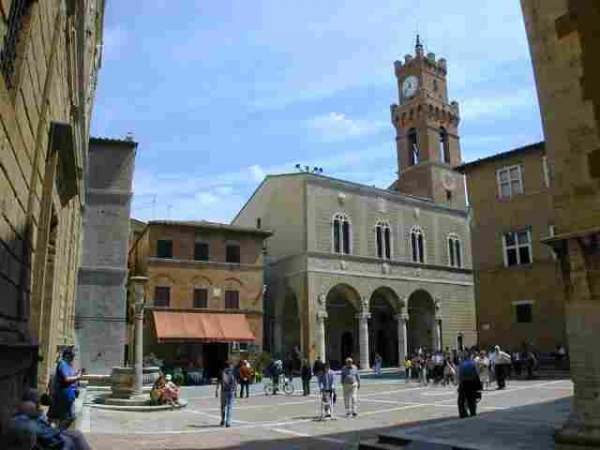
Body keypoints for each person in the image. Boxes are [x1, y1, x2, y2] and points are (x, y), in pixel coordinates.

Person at [14, 391, 91, 450]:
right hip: (53, 441)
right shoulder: (29, 423)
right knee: (73, 439)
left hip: (51, 435)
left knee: (77, 434)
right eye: (37, 400)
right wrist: (58, 429)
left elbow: (46, 427)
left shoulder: (29, 417)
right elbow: (46, 435)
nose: (39, 403)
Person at [47, 348, 83, 430]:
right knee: (67, 416)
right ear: (67, 355)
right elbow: (66, 379)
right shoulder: (62, 364)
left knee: (66, 416)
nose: (73, 357)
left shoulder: (68, 365)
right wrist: (77, 377)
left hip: (68, 395)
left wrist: (77, 376)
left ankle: (58, 431)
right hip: (62, 395)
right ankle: (59, 432)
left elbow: (70, 378)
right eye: (72, 355)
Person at [457, 353, 483, 418]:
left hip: (463, 383)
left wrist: (459, 386)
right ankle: (473, 413)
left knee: (461, 401)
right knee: (471, 400)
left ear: (464, 358)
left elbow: (460, 376)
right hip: (471, 383)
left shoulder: (461, 364)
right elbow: (476, 374)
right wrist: (478, 385)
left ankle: (463, 414)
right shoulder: (473, 363)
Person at [216, 361, 237, 427]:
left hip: (223, 391)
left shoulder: (222, 372)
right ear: (230, 365)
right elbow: (235, 382)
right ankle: (228, 422)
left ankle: (222, 420)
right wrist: (235, 390)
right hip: (231, 391)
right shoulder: (233, 372)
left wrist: (216, 390)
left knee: (223, 406)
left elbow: (219, 381)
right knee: (229, 407)